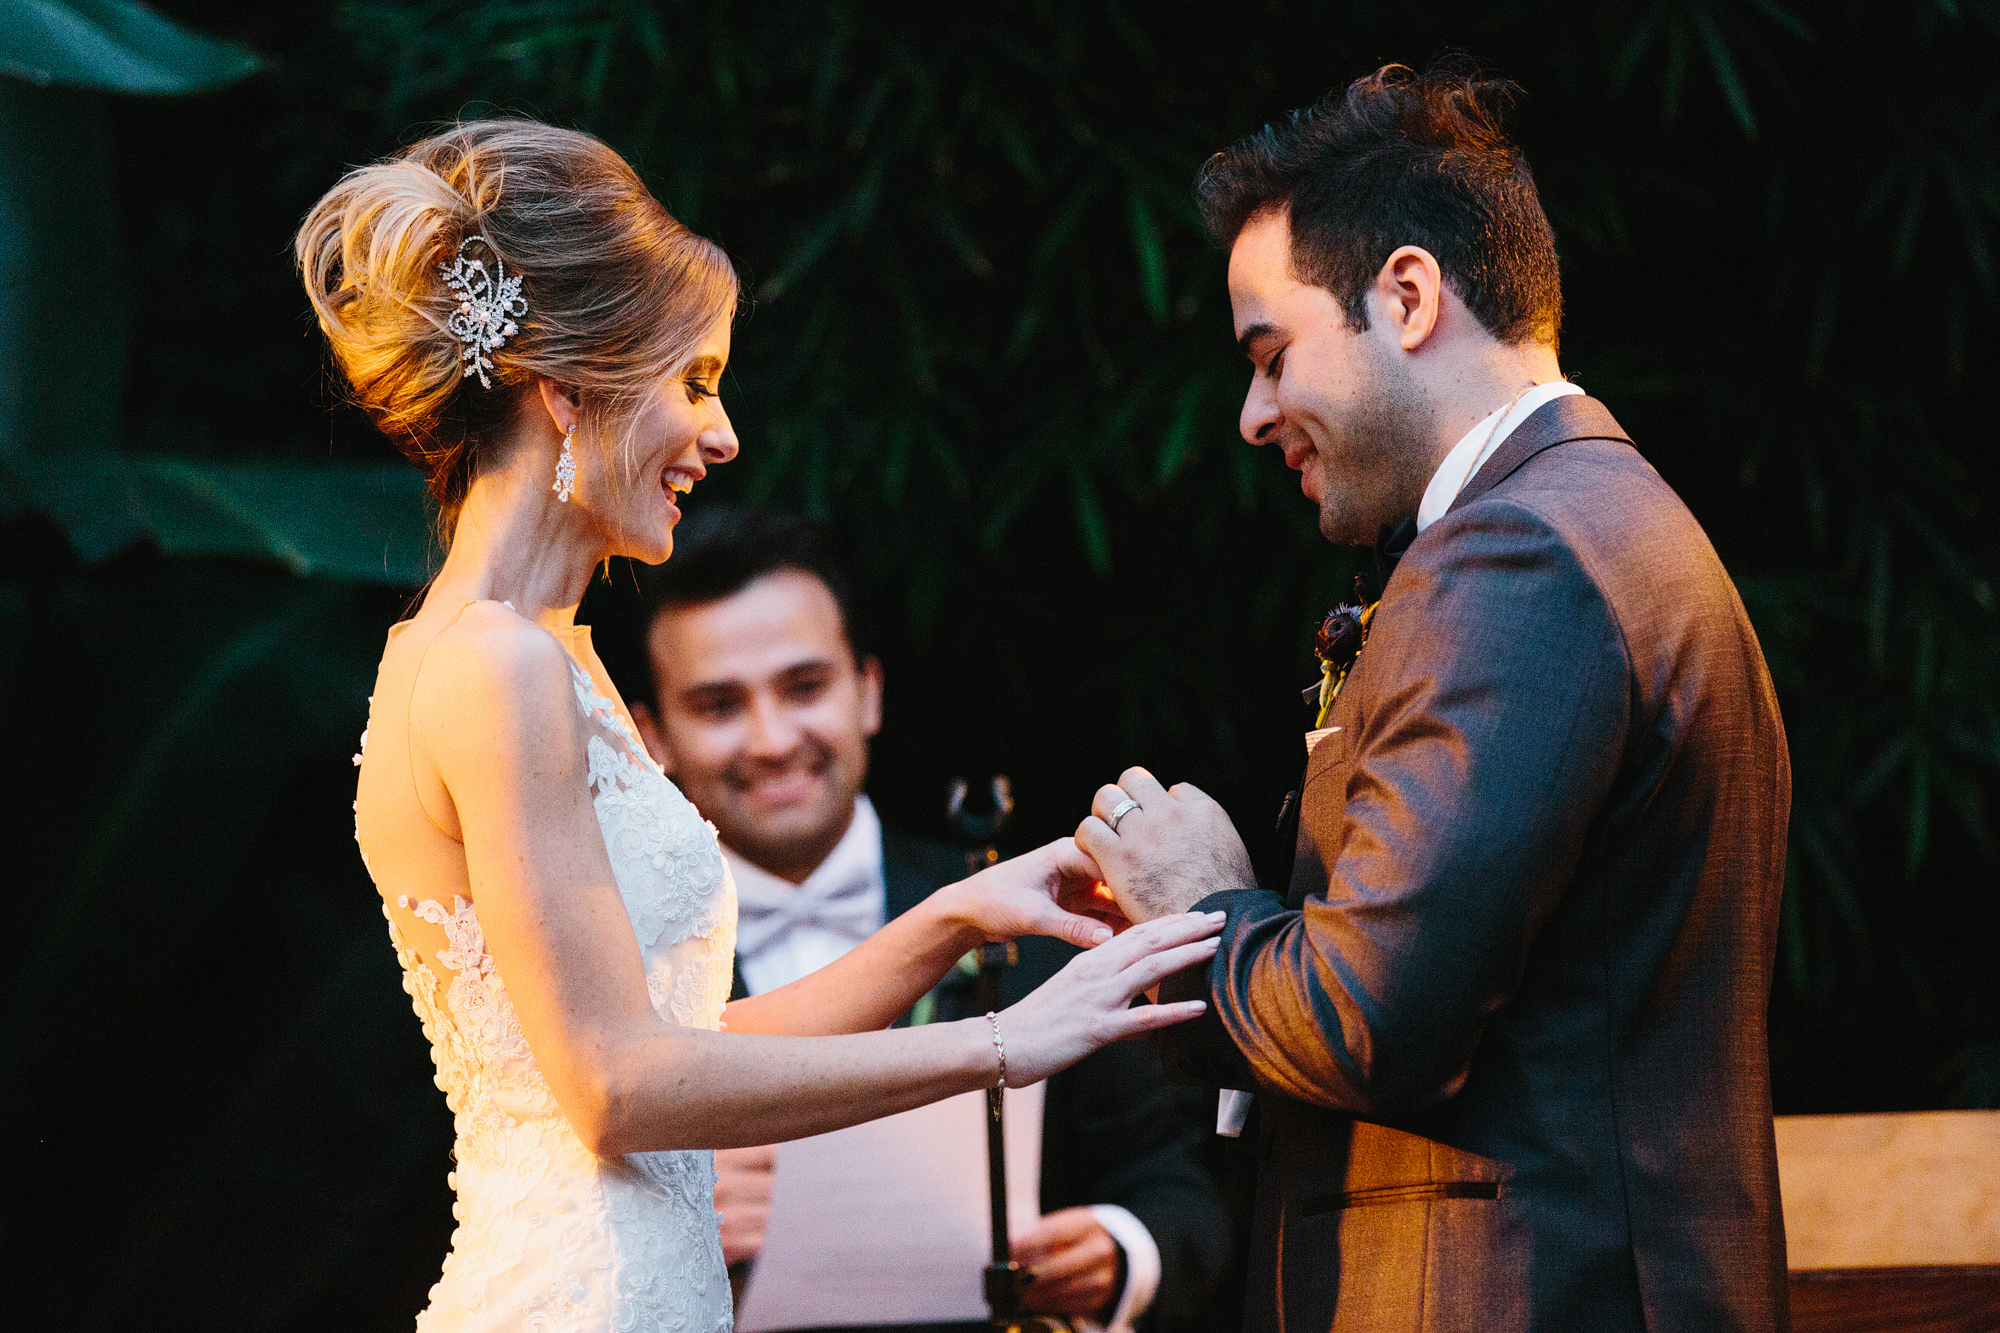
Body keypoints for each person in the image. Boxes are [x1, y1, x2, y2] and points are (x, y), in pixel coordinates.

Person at [307, 120, 1221, 1333]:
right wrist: (1003, 1041)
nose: (723, 435)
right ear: (570, 388)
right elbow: (619, 1088)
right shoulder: (496, 666)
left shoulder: (532, 653)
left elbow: (673, 1038)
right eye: (693, 381)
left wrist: (950, 921)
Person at [1076, 62, 1792, 1332]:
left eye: (1270, 354)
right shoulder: (1595, 517)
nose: (1251, 414)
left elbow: (1369, 1021)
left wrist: (1200, 906)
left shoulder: (1516, 558)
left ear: (1404, 296)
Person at [617, 506, 1230, 1332]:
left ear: (866, 691)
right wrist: (661, 1221)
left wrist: (1122, 1250)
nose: (770, 739)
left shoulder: (1029, 914)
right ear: (653, 735)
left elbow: (1177, 1181)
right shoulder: (614, 967)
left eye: (804, 688)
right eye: (719, 705)